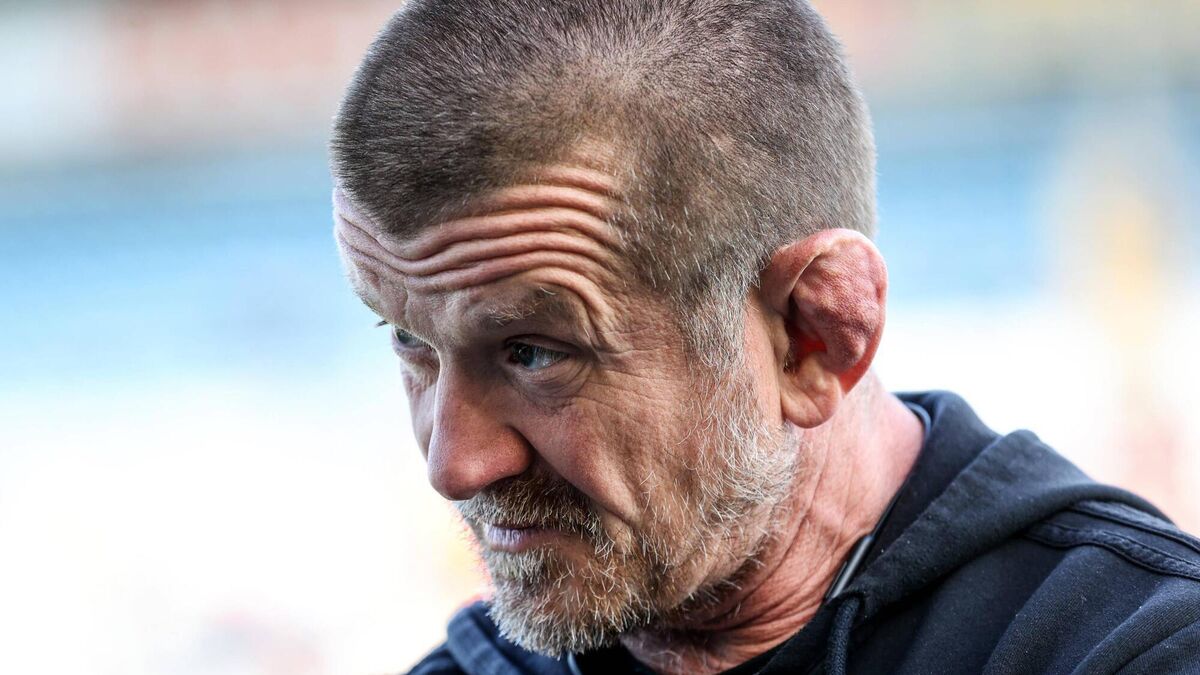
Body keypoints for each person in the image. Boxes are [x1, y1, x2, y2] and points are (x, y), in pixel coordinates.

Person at [328, 1, 1200, 673]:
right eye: (409, 339)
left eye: (533, 352)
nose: (453, 463)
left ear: (817, 335)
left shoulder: (1129, 649)